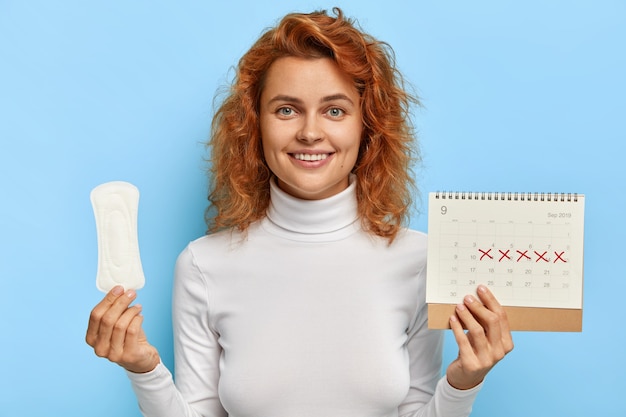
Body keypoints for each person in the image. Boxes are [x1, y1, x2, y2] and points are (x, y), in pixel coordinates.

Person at [86, 8, 513, 417]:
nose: (310, 132)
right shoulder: (203, 265)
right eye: (286, 109)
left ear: (367, 127)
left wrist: (463, 381)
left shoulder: (418, 262)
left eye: (335, 110)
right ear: (256, 124)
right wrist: (144, 371)